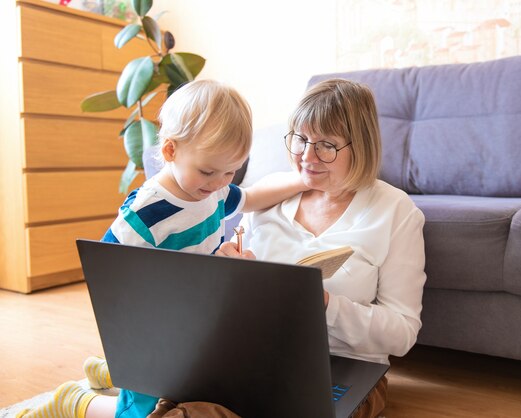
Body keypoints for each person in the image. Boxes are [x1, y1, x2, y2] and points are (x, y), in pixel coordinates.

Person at [17, 79, 307, 418]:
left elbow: (252, 198)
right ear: (170, 151)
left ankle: (112, 372)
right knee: (139, 412)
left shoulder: (213, 190)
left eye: (231, 171)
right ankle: (74, 401)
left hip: (192, 318)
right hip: (151, 326)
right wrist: (133, 340)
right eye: (208, 171)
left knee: (199, 380)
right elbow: (108, 269)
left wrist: (303, 181)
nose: (219, 184)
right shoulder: (148, 211)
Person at [216, 78, 427, 418]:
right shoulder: (270, 196)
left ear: (360, 146)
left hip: (345, 368)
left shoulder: (395, 211)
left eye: (327, 145)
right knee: (185, 407)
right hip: (256, 355)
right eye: (300, 139)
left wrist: (326, 305)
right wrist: (225, 273)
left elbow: (402, 333)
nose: (307, 156)